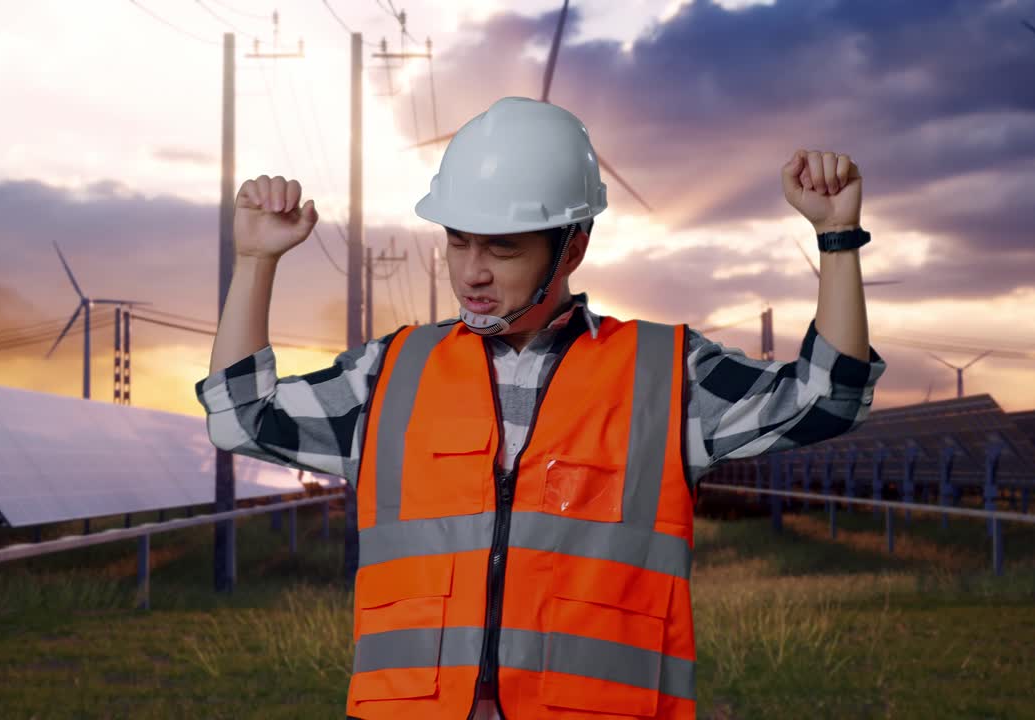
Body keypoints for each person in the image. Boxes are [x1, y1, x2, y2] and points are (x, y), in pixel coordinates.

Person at [196, 96, 887, 719]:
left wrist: (836, 241)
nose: (472, 272)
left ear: (573, 247)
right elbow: (240, 418)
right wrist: (256, 261)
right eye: (458, 241)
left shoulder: (665, 376)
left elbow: (828, 400)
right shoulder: (389, 375)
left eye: (503, 247)